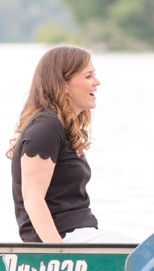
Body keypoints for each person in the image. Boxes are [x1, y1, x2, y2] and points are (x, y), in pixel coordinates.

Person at [8, 45, 105, 244]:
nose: (97, 82)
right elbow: (33, 197)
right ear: (63, 84)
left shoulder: (61, 125)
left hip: (79, 235)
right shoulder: (46, 126)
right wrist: (59, 254)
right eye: (88, 76)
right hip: (64, 239)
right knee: (151, 255)